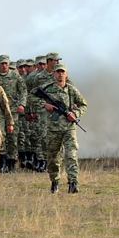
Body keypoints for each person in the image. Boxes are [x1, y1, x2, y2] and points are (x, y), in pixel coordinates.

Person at [38, 63, 87, 193]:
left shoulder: (71, 90)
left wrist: (75, 114)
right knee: (53, 158)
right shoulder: (46, 89)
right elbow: (32, 98)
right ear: (53, 74)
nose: (60, 74)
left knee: (71, 155)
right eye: (58, 72)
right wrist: (44, 104)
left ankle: (73, 183)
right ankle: (55, 181)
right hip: (53, 129)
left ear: (66, 74)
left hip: (69, 128)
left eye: (62, 72)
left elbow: (83, 104)